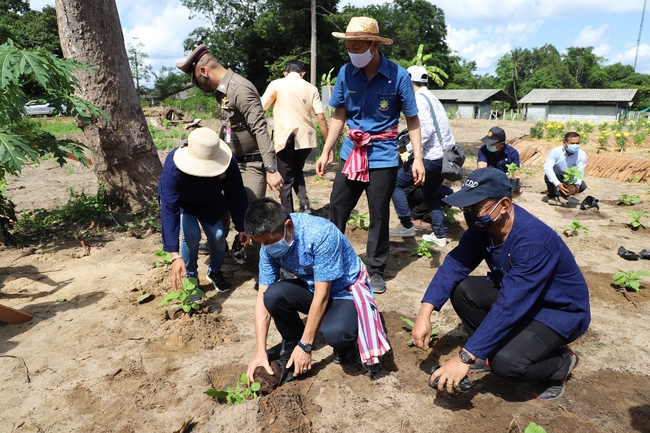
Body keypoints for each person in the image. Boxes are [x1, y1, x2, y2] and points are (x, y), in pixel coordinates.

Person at [411, 167, 590, 401]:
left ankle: (562, 363)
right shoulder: (483, 227)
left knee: (507, 364)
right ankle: (485, 353)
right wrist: (425, 312)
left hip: (558, 311)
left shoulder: (532, 242)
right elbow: (455, 265)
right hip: (521, 298)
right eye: (466, 208)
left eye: (476, 208)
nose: (470, 214)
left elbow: (509, 306)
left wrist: (464, 357)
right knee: (464, 290)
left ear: (504, 205)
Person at [315, 16, 425, 294]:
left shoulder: (398, 75)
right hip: (351, 152)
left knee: (378, 214)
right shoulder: (345, 72)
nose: (352, 51)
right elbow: (339, 114)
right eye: (349, 46)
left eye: (357, 45)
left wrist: (419, 158)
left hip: (384, 156)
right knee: (338, 207)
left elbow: (412, 119)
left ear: (373, 45)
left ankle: (375, 269)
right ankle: (333, 262)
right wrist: (326, 150)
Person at [244, 198, 390, 382]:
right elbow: (262, 298)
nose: (268, 247)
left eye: (271, 241)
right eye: (263, 243)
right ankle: (292, 341)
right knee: (273, 294)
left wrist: (306, 346)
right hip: (313, 287)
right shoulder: (268, 246)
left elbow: (323, 295)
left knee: (337, 333)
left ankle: (344, 344)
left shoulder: (320, 234)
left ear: (288, 226)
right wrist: (260, 351)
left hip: (344, 291)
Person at [175, 45, 283, 259]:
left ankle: (266, 263)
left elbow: (260, 128)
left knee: (252, 212)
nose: (197, 86)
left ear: (204, 72)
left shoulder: (240, 89)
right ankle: (219, 242)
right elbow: (227, 127)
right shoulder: (222, 92)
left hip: (251, 163)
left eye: (196, 80)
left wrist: (271, 168)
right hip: (229, 162)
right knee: (216, 201)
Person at [159, 127, 250, 292]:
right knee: (191, 235)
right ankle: (191, 276)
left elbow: (236, 193)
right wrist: (173, 253)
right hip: (185, 203)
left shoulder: (228, 162)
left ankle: (215, 271)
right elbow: (168, 208)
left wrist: (242, 227)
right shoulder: (174, 164)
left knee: (219, 236)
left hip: (212, 201)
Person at [389, 65, 454, 247]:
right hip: (445, 157)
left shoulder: (418, 98)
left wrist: (408, 148)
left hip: (431, 156)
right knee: (430, 193)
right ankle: (440, 235)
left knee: (395, 183)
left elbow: (425, 130)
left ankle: (406, 224)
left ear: (409, 80)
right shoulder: (432, 97)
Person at [261, 60, 329, 214]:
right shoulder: (311, 88)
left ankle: (288, 215)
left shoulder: (276, 84)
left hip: (285, 138)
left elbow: (261, 109)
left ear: (286, 72)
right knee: (297, 170)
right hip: (306, 140)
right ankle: (304, 205)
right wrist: (327, 143)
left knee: (285, 179)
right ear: (303, 73)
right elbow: (321, 117)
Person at [543, 131, 588, 204]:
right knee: (552, 172)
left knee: (582, 186)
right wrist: (558, 184)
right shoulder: (555, 152)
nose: (575, 145)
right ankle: (552, 195)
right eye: (572, 143)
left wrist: (577, 184)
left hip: (568, 176)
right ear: (565, 143)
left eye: (577, 143)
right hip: (557, 173)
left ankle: (563, 195)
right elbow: (547, 168)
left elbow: (580, 170)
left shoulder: (582, 154)